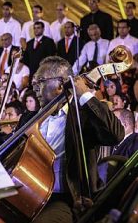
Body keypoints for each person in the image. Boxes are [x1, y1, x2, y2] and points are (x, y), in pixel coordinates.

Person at [30, 56, 124, 223]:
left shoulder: (83, 116)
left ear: (60, 85)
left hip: (63, 200)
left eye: (41, 81)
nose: (35, 87)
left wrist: (85, 95)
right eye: (35, 82)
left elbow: (115, 134)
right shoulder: (29, 119)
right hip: (28, 194)